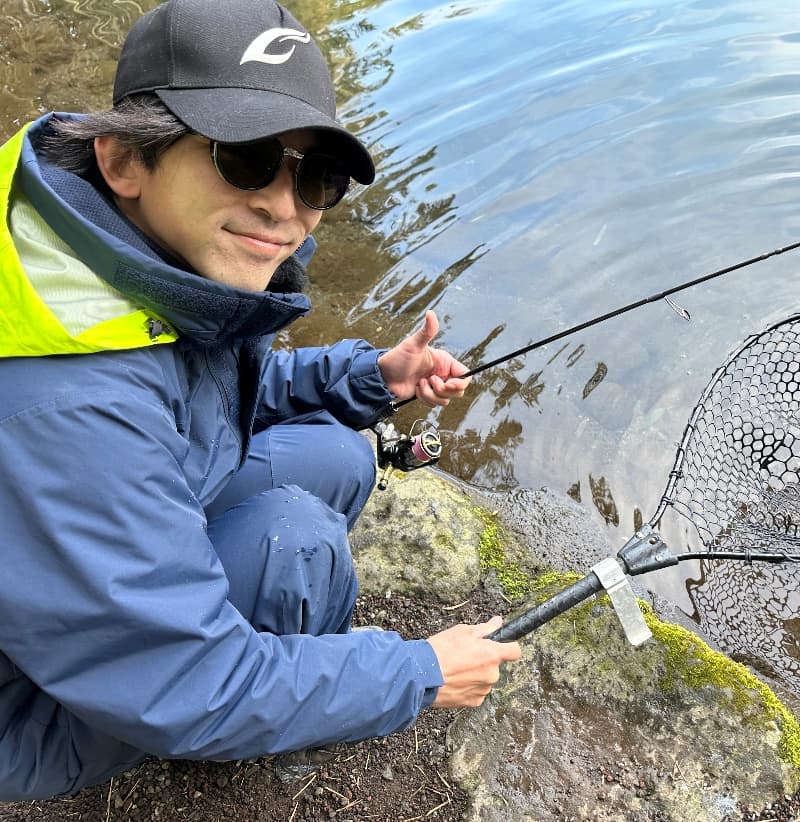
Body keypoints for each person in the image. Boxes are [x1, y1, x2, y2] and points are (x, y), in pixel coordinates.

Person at [0, 0, 520, 801]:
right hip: (26, 709)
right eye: (244, 158)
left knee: (340, 452)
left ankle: (267, 653)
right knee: (298, 538)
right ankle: (242, 728)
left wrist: (368, 378)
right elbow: (185, 675)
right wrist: (415, 674)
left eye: (316, 176)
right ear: (124, 160)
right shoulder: (67, 406)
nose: (285, 206)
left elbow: (192, 391)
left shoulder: (101, 252)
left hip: (61, 588)